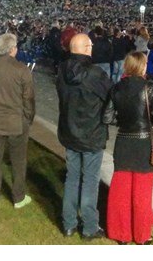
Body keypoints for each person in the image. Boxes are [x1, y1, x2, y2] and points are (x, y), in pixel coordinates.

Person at [102, 52, 153, 244]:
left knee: (120, 190)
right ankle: (141, 235)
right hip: (143, 142)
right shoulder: (150, 87)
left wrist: (122, 121)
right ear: (142, 66)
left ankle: (121, 233)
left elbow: (106, 117)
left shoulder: (116, 88)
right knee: (142, 191)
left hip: (123, 141)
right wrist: (147, 121)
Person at [56, 33, 112, 239]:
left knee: (72, 178)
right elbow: (110, 97)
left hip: (70, 131)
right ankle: (89, 226)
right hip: (91, 134)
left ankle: (69, 223)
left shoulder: (62, 70)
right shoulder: (96, 74)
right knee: (89, 180)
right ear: (87, 48)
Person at [0, 33, 35, 210]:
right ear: (12, 49)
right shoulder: (21, 69)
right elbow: (28, 98)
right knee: (18, 162)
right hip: (16, 122)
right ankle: (18, 197)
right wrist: (28, 117)